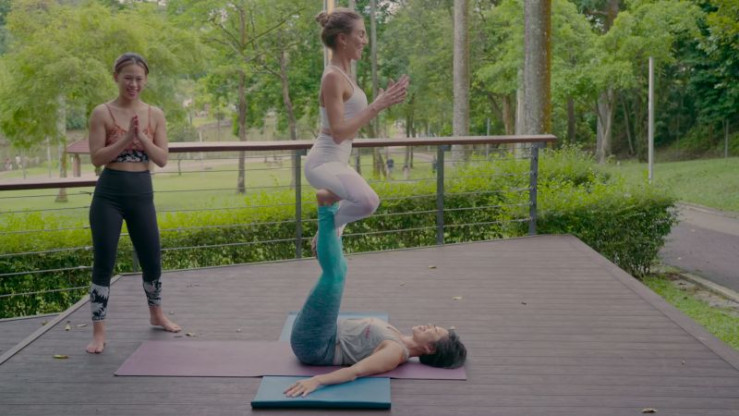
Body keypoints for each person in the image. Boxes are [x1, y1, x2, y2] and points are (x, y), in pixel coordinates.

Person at [286, 191, 466, 397]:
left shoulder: (394, 353)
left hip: (316, 345)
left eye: (433, 330)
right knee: (339, 269)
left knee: (335, 276)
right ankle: (331, 229)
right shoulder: (397, 335)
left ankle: (328, 210)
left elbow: (355, 372)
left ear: (429, 349)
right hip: (324, 329)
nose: (429, 324)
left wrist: (316, 381)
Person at [85, 52, 180, 354]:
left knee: (152, 257)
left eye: (139, 79)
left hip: (142, 193)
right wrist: (126, 139)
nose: (133, 84)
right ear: (116, 77)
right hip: (109, 195)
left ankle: (157, 314)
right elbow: (96, 158)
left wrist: (141, 137)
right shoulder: (102, 113)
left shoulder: (155, 114)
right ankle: (99, 332)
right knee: (104, 261)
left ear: (146, 80)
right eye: (128, 78)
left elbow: (162, 159)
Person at [305, 8, 410, 250]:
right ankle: (325, 232)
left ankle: (329, 234)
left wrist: (382, 103)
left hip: (338, 161)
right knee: (367, 201)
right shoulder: (332, 77)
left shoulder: (345, 75)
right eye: (360, 34)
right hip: (323, 162)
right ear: (342, 38)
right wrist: (377, 105)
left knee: (362, 204)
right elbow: (339, 133)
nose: (365, 40)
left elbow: (351, 127)